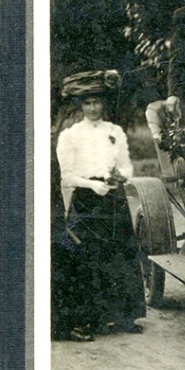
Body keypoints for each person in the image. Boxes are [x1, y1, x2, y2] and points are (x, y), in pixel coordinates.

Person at [54, 70, 146, 340]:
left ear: (104, 104)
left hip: (112, 198)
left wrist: (120, 176)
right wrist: (92, 184)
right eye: (87, 103)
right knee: (86, 258)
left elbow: (127, 165)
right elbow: (67, 177)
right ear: (79, 106)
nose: (93, 108)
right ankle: (85, 321)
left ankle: (123, 317)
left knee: (119, 252)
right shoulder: (70, 136)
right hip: (86, 201)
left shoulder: (114, 131)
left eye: (96, 103)